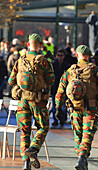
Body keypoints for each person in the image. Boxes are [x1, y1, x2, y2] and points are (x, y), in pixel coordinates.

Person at [55, 45, 98, 170]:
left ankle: (81, 158)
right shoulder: (95, 70)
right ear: (88, 56)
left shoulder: (70, 71)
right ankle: (82, 157)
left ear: (77, 55)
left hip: (74, 109)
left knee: (78, 135)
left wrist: (58, 108)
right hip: (91, 109)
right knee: (87, 135)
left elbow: (60, 91)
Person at [8, 33, 55, 170]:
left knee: (25, 131)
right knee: (43, 127)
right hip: (38, 100)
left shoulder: (20, 60)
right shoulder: (44, 61)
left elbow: (11, 80)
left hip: (23, 101)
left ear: (28, 44)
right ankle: (34, 149)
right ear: (40, 45)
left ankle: (25, 162)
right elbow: (51, 80)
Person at [50, 48, 70, 126]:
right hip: (55, 89)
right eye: (58, 55)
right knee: (55, 106)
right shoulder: (53, 65)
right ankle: (55, 120)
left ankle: (61, 119)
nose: (59, 57)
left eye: (61, 55)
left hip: (63, 89)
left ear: (64, 56)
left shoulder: (67, 65)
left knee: (63, 106)